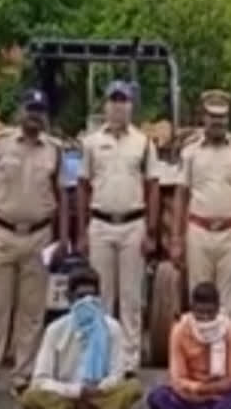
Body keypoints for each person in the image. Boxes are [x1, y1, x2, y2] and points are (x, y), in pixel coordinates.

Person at [77, 79, 160, 375]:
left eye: (123, 100)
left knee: (131, 297)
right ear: (105, 105)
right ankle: (100, 357)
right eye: (113, 100)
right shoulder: (90, 142)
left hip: (132, 224)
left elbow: (152, 187)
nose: (118, 106)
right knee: (100, 295)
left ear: (131, 106)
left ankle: (127, 362)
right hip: (100, 223)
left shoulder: (143, 142)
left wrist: (151, 231)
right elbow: (83, 186)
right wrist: (82, 232)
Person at [0, 89, 68, 397]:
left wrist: (62, 238)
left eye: (39, 110)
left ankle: (22, 377)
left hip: (39, 236)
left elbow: (62, 196)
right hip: (1, 233)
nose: (33, 115)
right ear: (20, 111)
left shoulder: (55, 150)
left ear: (45, 115)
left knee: (32, 311)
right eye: (29, 109)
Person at [173, 90, 231, 325]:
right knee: (199, 296)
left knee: (227, 305)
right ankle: (199, 356)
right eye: (213, 116)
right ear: (204, 118)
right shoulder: (190, 151)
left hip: (230, 234)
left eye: (222, 117)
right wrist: (177, 239)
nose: (217, 122)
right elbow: (181, 195)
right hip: (198, 231)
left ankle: (224, 357)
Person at [20, 266, 142, 409]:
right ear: (69, 297)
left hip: (100, 397)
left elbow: (117, 375)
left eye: (92, 296)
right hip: (66, 397)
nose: (87, 302)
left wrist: (97, 390)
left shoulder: (112, 328)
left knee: (133, 387)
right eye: (81, 297)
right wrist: (77, 391)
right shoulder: (55, 330)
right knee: (31, 396)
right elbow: (40, 380)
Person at [148, 282, 231, 409]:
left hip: (220, 396)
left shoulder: (229, 329)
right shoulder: (180, 329)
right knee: (157, 396)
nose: (205, 318)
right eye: (200, 313)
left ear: (218, 308)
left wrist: (209, 389)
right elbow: (177, 379)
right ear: (192, 308)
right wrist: (198, 389)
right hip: (189, 396)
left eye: (210, 313)